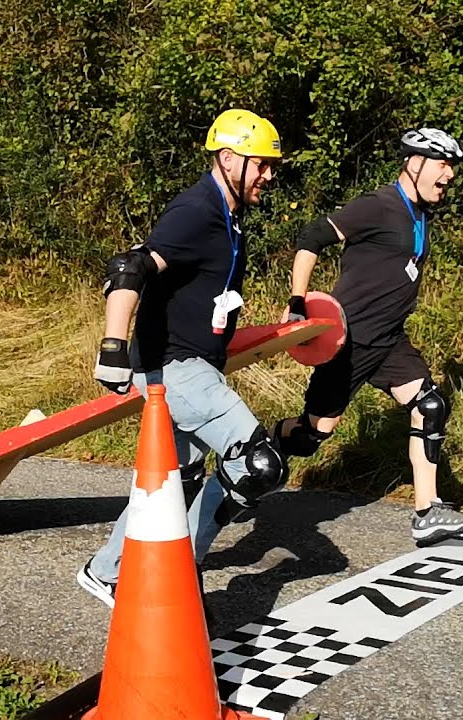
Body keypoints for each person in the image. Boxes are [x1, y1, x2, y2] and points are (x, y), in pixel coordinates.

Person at [78, 109, 289, 608]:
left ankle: (106, 571)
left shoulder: (230, 216)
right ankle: (174, 567)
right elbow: (129, 268)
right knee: (257, 464)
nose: (269, 176)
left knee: (171, 484)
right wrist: (111, 346)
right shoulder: (198, 210)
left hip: (191, 362)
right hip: (175, 366)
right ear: (229, 158)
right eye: (261, 165)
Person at [272, 127, 463, 547]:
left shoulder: (420, 213)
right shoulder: (378, 205)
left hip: (388, 340)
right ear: (414, 162)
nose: (450, 175)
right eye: (443, 164)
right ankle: (258, 450)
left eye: (452, 167)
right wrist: (298, 302)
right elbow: (311, 237)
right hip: (348, 341)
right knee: (314, 434)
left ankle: (427, 512)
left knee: (430, 405)